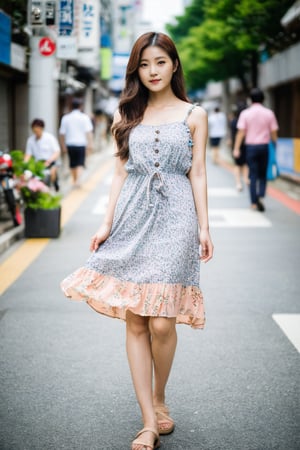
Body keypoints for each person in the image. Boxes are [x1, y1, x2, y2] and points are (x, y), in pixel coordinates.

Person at [61, 31, 214, 450]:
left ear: (174, 65)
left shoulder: (194, 115)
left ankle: (160, 395)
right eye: (144, 64)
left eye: (160, 62)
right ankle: (148, 420)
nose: (152, 71)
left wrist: (203, 226)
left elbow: (197, 171)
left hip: (177, 218)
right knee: (136, 318)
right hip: (132, 216)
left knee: (162, 321)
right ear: (136, 69)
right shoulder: (126, 112)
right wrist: (105, 223)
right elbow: (117, 172)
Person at [233, 88, 279, 211]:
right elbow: (273, 132)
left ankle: (253, 202)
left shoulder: (245, 114)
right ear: (263, 99)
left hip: (251, 147)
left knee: (252, 174)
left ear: (250, 100)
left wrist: (236, 148)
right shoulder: (269, 113)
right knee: (262, 174)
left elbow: (241, 133)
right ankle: (261, 196)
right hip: (264, 146)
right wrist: (275, 143)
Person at [59, 97, 94, 188]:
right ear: (80, 106)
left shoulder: (66, 118)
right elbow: (89, 132)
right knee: (80, 163)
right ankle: (78, 180)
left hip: (70, 144)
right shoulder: (84, 117)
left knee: (72, 163)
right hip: (81, 144)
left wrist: (63, 145)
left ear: (71, 106)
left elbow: (62, 133)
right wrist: (90, 144)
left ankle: (74, 180)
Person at [25, 118, 60, 191]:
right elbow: (28, 154)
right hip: (38, 164)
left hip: (50, 162)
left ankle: (54, 186)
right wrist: (24, 164)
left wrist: (49, 161)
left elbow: (57, 151)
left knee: (52, 173)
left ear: (42, 128)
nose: (36, 132)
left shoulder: (49, 138)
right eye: (34, 130)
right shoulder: (30, 140)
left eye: (38, 129)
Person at [229, 102, 249, 191]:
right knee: (245, 164)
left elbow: (232, 133)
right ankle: (246, 180)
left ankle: (238, 183)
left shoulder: (233, 121)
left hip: (235, 145)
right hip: (245, 144)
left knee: (237, 165)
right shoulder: (246, 121)